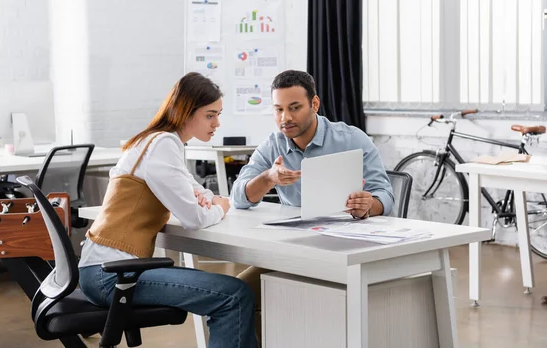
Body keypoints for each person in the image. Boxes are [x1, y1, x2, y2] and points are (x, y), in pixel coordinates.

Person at [78, 72, 257, 348]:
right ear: (187, 112)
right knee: (233, 295)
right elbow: (194, 218)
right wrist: (220, 207)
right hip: (112, 275)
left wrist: (209, 199)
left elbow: (196, 190)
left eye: (218, 115)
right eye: (210, 115)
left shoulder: (158, 141)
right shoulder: (163, 144)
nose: (217, 123)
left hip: (107, 269)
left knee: (234, 292)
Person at [230, 69, 394, 334]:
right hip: (291, 255)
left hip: (346, 256)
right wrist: (268, 177)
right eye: (279, 109)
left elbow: (385, 196)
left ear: (314, 104)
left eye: (294, 108)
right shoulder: (273, 145)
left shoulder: (352, 139)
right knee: (233, 298)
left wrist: (368, 205)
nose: (286, 118)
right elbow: (238, 196)